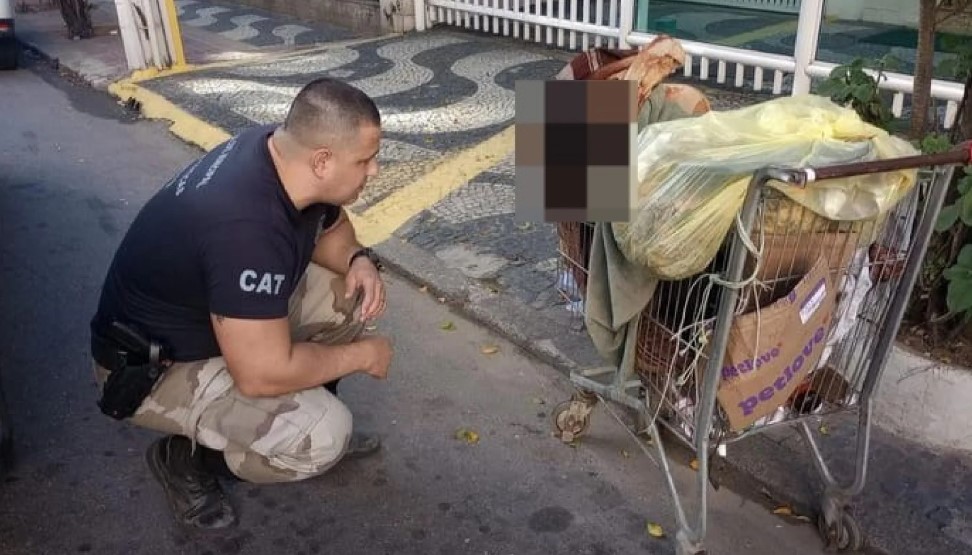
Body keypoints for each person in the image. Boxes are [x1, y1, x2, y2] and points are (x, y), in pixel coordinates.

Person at [88, 77, 394, 530]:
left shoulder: (280, 152)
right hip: (151, 369)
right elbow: (260, 374)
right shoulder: (246, 229)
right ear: (323, 161)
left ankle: (292, 411)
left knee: (347, 295)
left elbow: (330, 225)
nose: (374, 171)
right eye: (365, 160)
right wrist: (361, 355)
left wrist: (358, 258)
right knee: (322, 436)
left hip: (216, 323)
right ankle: (187, 458)